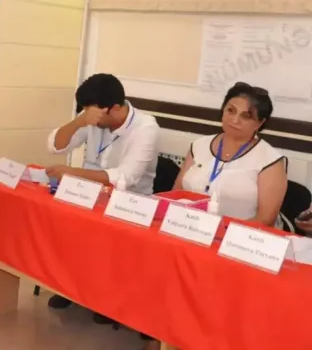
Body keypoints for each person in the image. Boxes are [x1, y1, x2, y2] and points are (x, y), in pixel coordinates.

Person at [44, 73, 159, 314]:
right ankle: (70, 288)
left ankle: (106, 300)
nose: (89, 116)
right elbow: (55, 146)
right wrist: (79, 122)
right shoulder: (92, 118)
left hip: (129, 205)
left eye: (91, 112)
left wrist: (72, 173)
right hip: (86, 196)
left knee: (99, 237)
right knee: (53, 221)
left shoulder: (146, 128)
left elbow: (125, 178)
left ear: (114, 108)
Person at [173, 82, 287, 226]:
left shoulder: (270, 160)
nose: (234, 120)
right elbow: (176, 194)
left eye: (246, 116)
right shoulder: (199, 145)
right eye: (230, 110)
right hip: (189, 228)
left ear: (260, 123)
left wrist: (219, 231)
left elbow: (265, 220)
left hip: (240, 239)